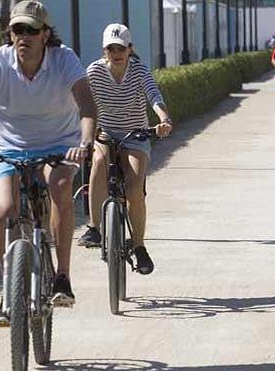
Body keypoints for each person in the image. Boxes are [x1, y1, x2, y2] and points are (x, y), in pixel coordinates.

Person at [0, 0, 97, 325]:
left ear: (45, 34)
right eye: (17, 29)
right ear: (10, 33)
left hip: (59, 146)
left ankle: (62, 276)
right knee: (4, 211)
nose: (24, 36)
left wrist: (84, 143)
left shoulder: (64, 60)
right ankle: (9, 288)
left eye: (31, 30)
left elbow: (88, 106)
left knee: (61, 187)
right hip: (9, 148)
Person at [78, 23, 173, 275]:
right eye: (111, 48)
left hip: (136, 135)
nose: (116, 53)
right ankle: (94, 228)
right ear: (104, 50)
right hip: (106, 133)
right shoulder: (95, 72)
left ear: (130, 49)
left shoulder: (139, 69)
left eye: (121, 48)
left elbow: (153, 94)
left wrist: (163, 119)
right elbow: (84, 103)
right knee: (98, 163)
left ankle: (139, 246)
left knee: (134, 186)